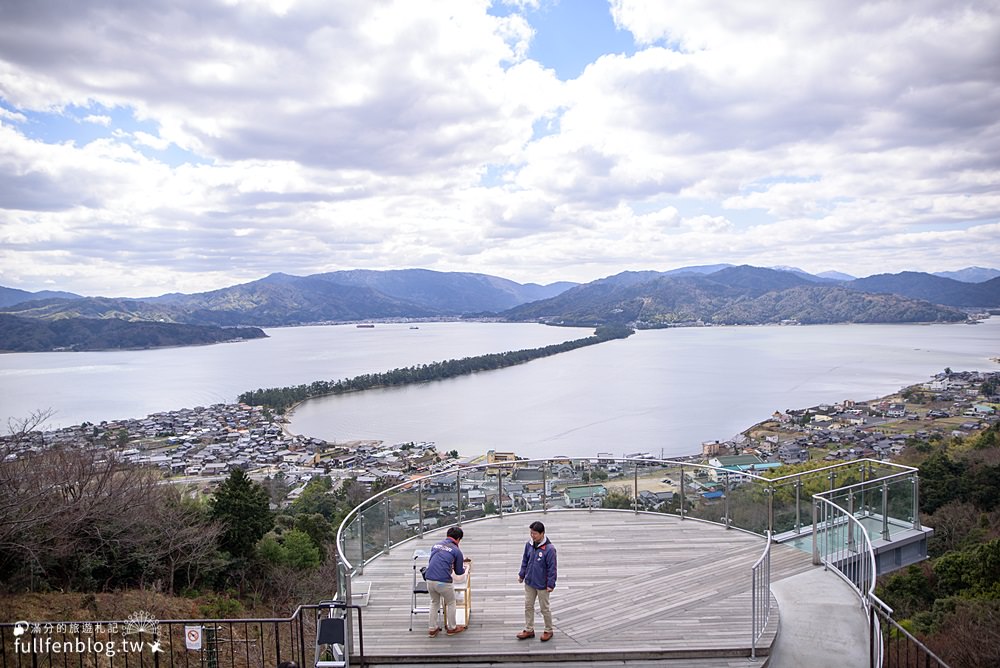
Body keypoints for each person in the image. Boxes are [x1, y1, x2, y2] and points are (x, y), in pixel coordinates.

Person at [516, 520, 557, 642]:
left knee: (544, 608)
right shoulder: (529, 545)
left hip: (542, 584)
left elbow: (552, 568)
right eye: (531, 533)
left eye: (535, 533)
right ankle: (529, 629)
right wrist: (521, 575)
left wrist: (551, 584)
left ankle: (548, 630)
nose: (532, 536)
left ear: (542, 533)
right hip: (530, 582)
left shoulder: (549, 549)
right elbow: (525, 561)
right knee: (528, 606)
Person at [424, 526, 467, 637]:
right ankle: (452, 628)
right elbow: (459, 572)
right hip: (443, 582)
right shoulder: (456, 551)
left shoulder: (435, 545)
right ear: (458, 539)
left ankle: (432, 629)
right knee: (451, 602)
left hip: (429, 579)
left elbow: (436, 561)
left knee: (434, 602)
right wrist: (465, 568)